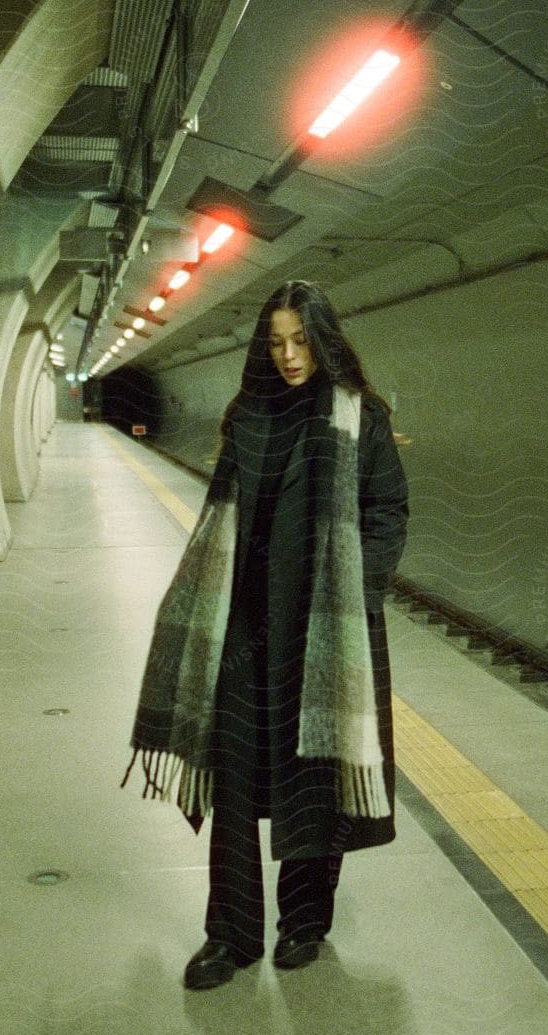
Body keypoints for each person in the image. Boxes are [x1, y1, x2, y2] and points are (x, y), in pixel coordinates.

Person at [120, 279, 410, 990]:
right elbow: (224, 515)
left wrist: (357, 591)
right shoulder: (247, 412)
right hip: (245, 626)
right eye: (276, 341)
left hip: (325, 630)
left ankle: (304, 923)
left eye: (301, 340)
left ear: (324, 339)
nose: (288, 355)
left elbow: (388, 510)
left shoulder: (360, 416)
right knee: (236, 778)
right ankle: (231, 934)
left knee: (316, 775)